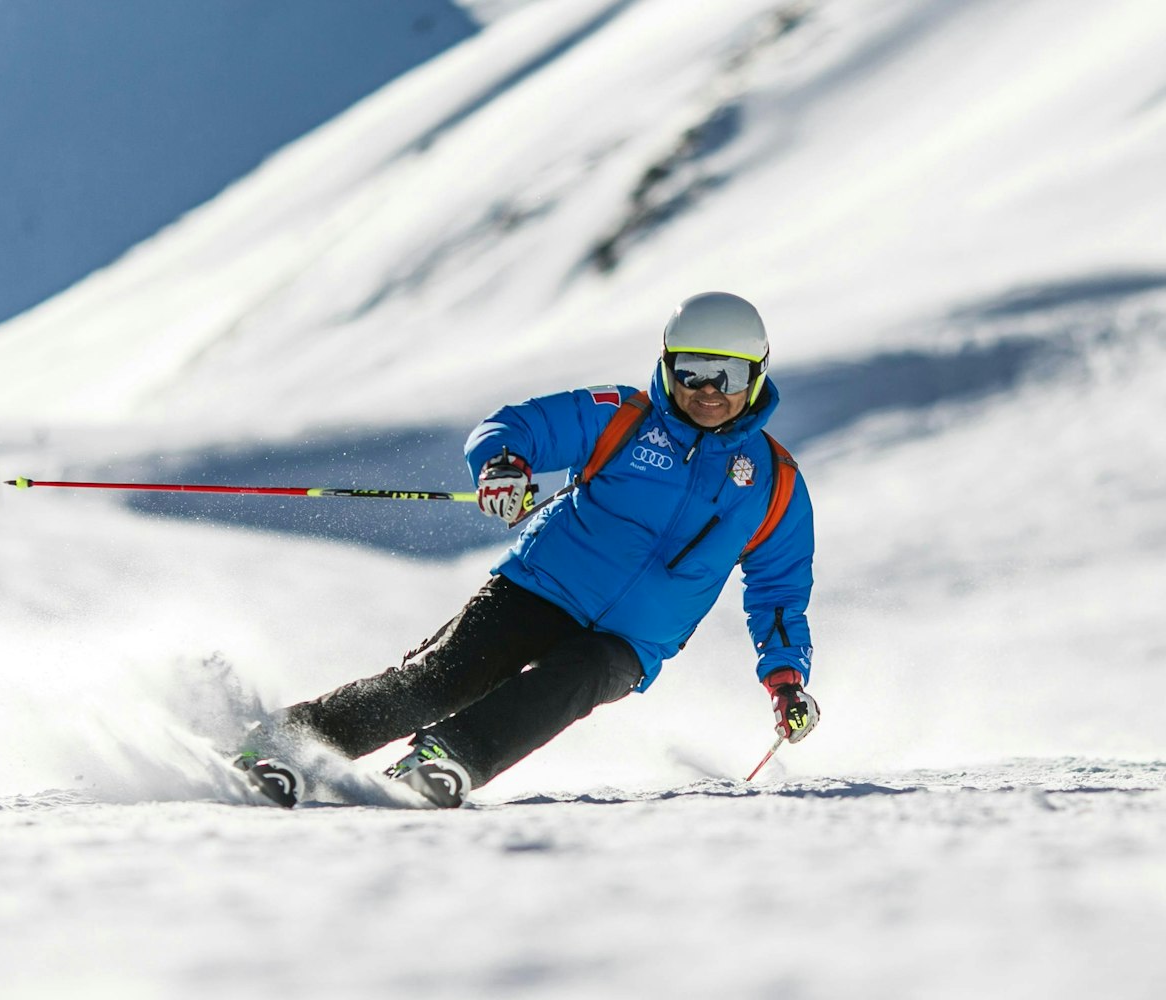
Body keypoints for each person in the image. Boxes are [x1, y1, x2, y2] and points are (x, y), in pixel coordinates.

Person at [238, 291, 819, 808]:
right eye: (692, 372)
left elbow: (778, 592)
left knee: (577, 677)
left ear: (757, 375)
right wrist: (503, 466)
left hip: (631, 641)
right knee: (442, 679)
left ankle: (446, 759)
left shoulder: (776, 483)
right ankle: (282, 744)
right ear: (667, 367)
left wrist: (786, 680)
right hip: (539, 587)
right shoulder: (622, 416)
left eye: (728, 375)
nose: (709, 392)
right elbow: (518, 426)